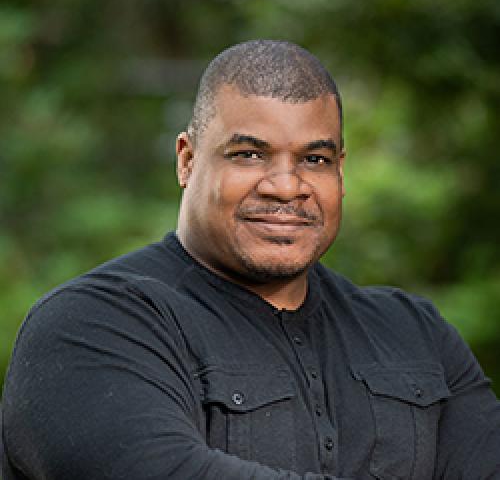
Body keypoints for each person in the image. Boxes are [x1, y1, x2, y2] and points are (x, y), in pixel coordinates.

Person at [2, 40, 500, 480]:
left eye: (314, 160)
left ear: (340, 172)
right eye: (248, 154)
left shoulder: (414, 334)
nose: (286, 187)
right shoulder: (90, 325)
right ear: (187, 159)